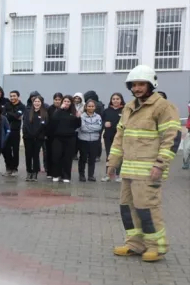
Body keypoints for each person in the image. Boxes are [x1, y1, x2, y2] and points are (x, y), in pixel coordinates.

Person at [109, 65, 181, 262]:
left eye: (141, 84)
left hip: (149, 170)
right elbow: (119, 136)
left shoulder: (163, 107)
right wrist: (112, 162)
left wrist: (160, 164)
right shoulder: (129, 107)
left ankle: (156, 247)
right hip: (129, 170)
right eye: (134, 84)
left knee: (147, 209)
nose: (137, 88)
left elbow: (171, 138)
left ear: (151, 84)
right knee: (127, 207)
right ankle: (134, 244)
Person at [51, 96, 81, 183]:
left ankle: (66, 176)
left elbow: (78, 125)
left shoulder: (73, 112)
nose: (66, 103)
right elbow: (54, 119)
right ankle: (56, 174)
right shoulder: (59, 111)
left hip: (70, 138)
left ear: (71, 103)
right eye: (65, 101)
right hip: (58, 138)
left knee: (67, 157)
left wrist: (78, 118)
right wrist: (60, 109)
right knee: (56, 156)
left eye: (68, 101)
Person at [22, 96, 47, 182]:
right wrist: (30, 134)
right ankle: (29, 172)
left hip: (39, 138)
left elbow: (44, 125)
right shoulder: (28, 111)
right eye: (35, 101)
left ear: (41, 103)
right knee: (28, 155)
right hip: (28, 137)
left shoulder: (44, 113)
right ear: (33, 103)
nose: (37, 103)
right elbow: (25, 124)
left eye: (38, 101)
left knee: (35, 155)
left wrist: (36, 134)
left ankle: (35, 173)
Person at [77, 99, 103, 182]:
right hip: (83, 140)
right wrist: (92, 127)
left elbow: (99, 127)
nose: (91, 107)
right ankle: (82, 175)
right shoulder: (82, 116)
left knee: (92, 159)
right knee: (83, 158)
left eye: (92, 106)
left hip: (94, 140)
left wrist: (89, 127)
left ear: (95, 107)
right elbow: (83, 128)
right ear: (86, 107)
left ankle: (91, 175)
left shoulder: (98, 116)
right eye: (89, 106)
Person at [2, 90, 25, 177]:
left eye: (14, 96)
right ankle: (8, 168)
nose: (12, 98)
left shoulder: (22, 106)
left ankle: (15, 168)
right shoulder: (7, 105)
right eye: (11, 96)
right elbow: (3, 116)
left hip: (15, 131)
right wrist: (13, 115)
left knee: (15, 151)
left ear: (18, 96)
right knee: (6, 150)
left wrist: (9, 114)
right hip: (6, 131)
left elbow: (17, 116)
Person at [101, 93, 124, 181]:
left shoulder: (124, 111)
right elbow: (101, 121)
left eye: (117, 99)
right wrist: (104, 124)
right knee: (109, 156)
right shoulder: (106, 111)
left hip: (120, 137)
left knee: (119, 156)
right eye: (113, 99)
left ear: (121, 100)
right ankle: (108, 175)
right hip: (108, 137)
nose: (115, 100)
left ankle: (118, 175)